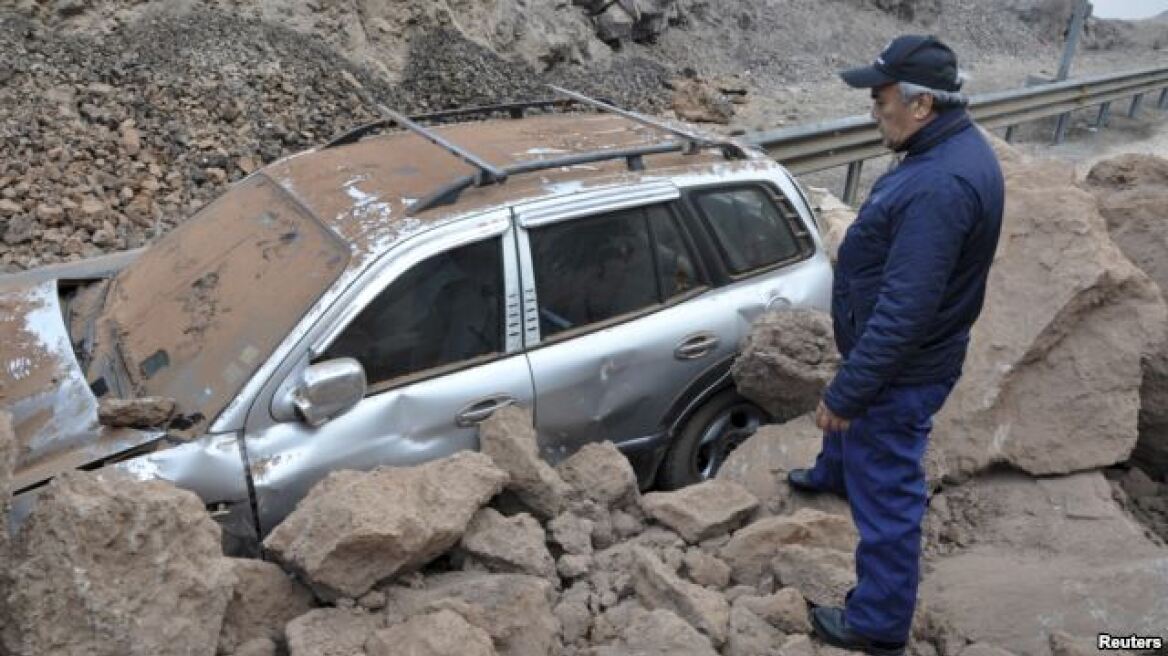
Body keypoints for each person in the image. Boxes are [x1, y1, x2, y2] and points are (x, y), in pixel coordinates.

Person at [786, 35, 1005, 655]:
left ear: (922, 104)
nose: (872, 110)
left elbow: (905, 314)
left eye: (879, 99)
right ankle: (835, 471)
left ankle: (878, 622)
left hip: (902, 371)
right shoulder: (937, 150)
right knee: (855, 424)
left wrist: (850, 392)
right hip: (890, 354)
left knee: (889, 493)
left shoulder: (941, 185)